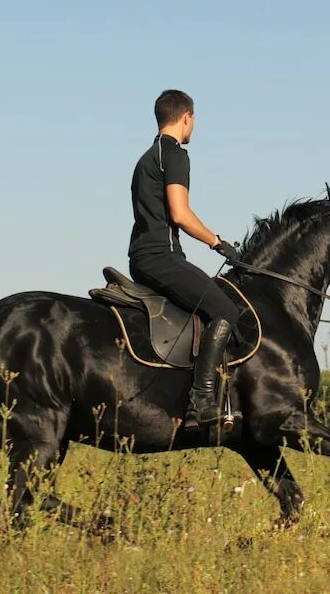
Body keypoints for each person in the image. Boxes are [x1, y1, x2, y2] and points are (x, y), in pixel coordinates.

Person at [128, 89, 241, 430]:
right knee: (225, 310)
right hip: (161, 258)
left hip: (141, 255)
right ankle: (202, 402)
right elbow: (180, 213)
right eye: (194, 120)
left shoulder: (147, 157)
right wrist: (217, 242)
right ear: (186, 117)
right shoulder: (175, 155)